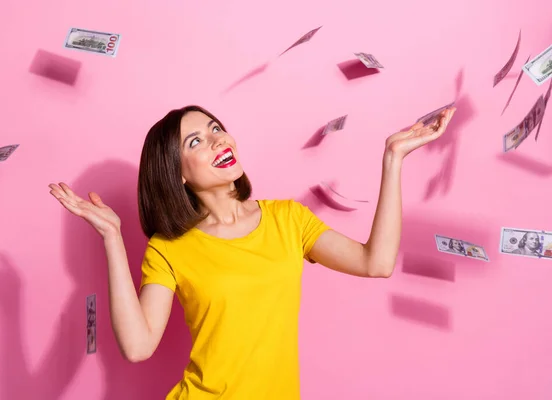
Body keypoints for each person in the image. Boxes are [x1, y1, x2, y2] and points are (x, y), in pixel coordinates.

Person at [49, 104, 456, 399]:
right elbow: (138, 347)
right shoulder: (170, 249)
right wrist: (112, 238)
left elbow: (377, 263)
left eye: (215, 129)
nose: (217, 139)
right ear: (178, 175)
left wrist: (393, 159)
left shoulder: (288, 220)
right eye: (197, 141)